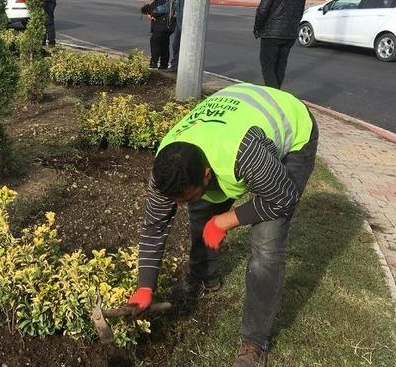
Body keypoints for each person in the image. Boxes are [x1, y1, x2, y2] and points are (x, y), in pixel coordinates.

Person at [126, 82, 319, 367]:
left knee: (266, 242)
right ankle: (204, 277)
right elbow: (154, 227)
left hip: (293, 131)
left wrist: (225, 221)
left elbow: (283, 198)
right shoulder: (166, 163)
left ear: (206, 174)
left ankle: (254, 344)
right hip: (235, 119)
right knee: (200, 210)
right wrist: (145, 287)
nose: (177, 205)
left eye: (184, 196)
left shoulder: (242, 153)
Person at [254, 0, 306, 89]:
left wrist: (258, 28)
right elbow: (299, 12)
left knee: (268, 66)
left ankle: (273, 96)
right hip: (289, 35)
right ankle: (277, 92)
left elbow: (262, 11)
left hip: (271, 34)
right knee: (280, 66)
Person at [146, 0, 174, 69]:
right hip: (160, 22)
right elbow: (155, 3)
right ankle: (163, 65)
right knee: (164, 43)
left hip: (164, 23)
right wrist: (149, 10)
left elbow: (166, 7)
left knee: (155, 40)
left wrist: (154, 12)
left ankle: (154, 64)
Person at [167, 0, 187, 72]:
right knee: (175, 45)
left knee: (184, 46)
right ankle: (175, 67)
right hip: (178, 20)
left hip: (186, 22)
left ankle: (182, 69)